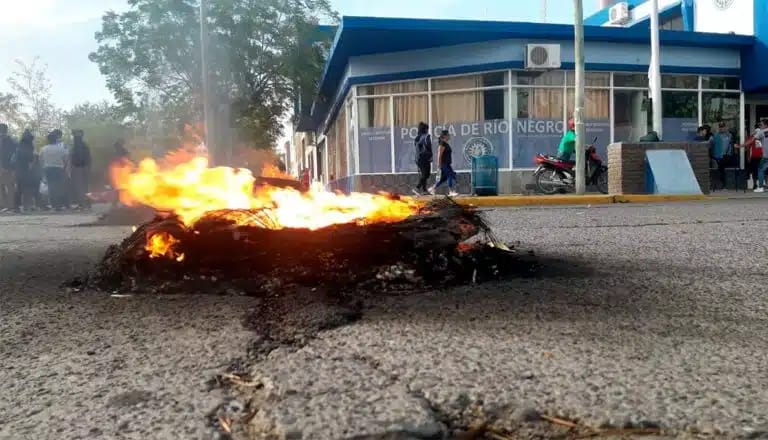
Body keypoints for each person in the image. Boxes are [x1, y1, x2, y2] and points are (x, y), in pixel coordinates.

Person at [40, 131, 69, 211]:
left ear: (48, 140)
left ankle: (53, 205)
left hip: (48, 169)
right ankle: (59, 205)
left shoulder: (43, 149)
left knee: (51, 187)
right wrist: (64, 168)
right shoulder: (61, 149)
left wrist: (43, 169)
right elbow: (66, 160)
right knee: (59, 187)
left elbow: (41, 160)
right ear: (56, 139)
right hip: (59, 169)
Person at [12, 130, 37, 212]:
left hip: (18, 170)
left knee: (18, 188)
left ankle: (16, 207)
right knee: (27, 188)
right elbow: (31, 160)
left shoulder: (18, 147)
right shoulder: (29, 148)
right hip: (26, 170)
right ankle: (27, 206)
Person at [428, 130, 458, 197]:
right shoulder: (442, 144)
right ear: (445, 136)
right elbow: (439, 155)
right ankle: (450, 191)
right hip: (443, 164)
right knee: (450, 175)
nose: (449, 136)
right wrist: (439, 165)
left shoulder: (446, 144)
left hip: (447, 163)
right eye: (448, 135)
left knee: (443, 178)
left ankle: (432, 188)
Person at [69, 129, 92, 210]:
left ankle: (82, 204)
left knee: (79, 187)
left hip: (77, 168)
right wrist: (89, 167)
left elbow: (71, 157)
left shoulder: (74, 145)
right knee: (86, 186)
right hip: (85, 167)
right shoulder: (85, 145)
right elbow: (89, 158)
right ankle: (87, 204)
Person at [0, 123, 18, 211]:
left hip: (3, 166)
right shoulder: (12, 140)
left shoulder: (10, 140)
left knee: (2, 187)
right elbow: (15, 154)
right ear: (6, 130)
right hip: (9, 167)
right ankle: (10, 205)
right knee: (10, 186)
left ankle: (2, 205)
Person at [710, 122, 733, 190]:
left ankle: (724, 185)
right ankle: (722, 185)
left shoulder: (729, 135)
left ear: (725, 127)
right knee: (720, 170)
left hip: (726, 156)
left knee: (722, 170)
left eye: (723, 127)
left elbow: (731, 145)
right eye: (720, 127)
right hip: (718, 156)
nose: (721, 128)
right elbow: (712, 145)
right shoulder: (716, 136)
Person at [413, 122, 433, 195]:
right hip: (425, 158)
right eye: (427, 129)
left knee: (424, 174)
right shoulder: (426, 136)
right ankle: (417, 188)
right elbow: (428, 147)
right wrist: (430, 156)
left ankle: (424, 190)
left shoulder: (417, 138)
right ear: (425, 129)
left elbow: (416, 147)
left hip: (418, 158)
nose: (428, 130)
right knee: (426, 174)